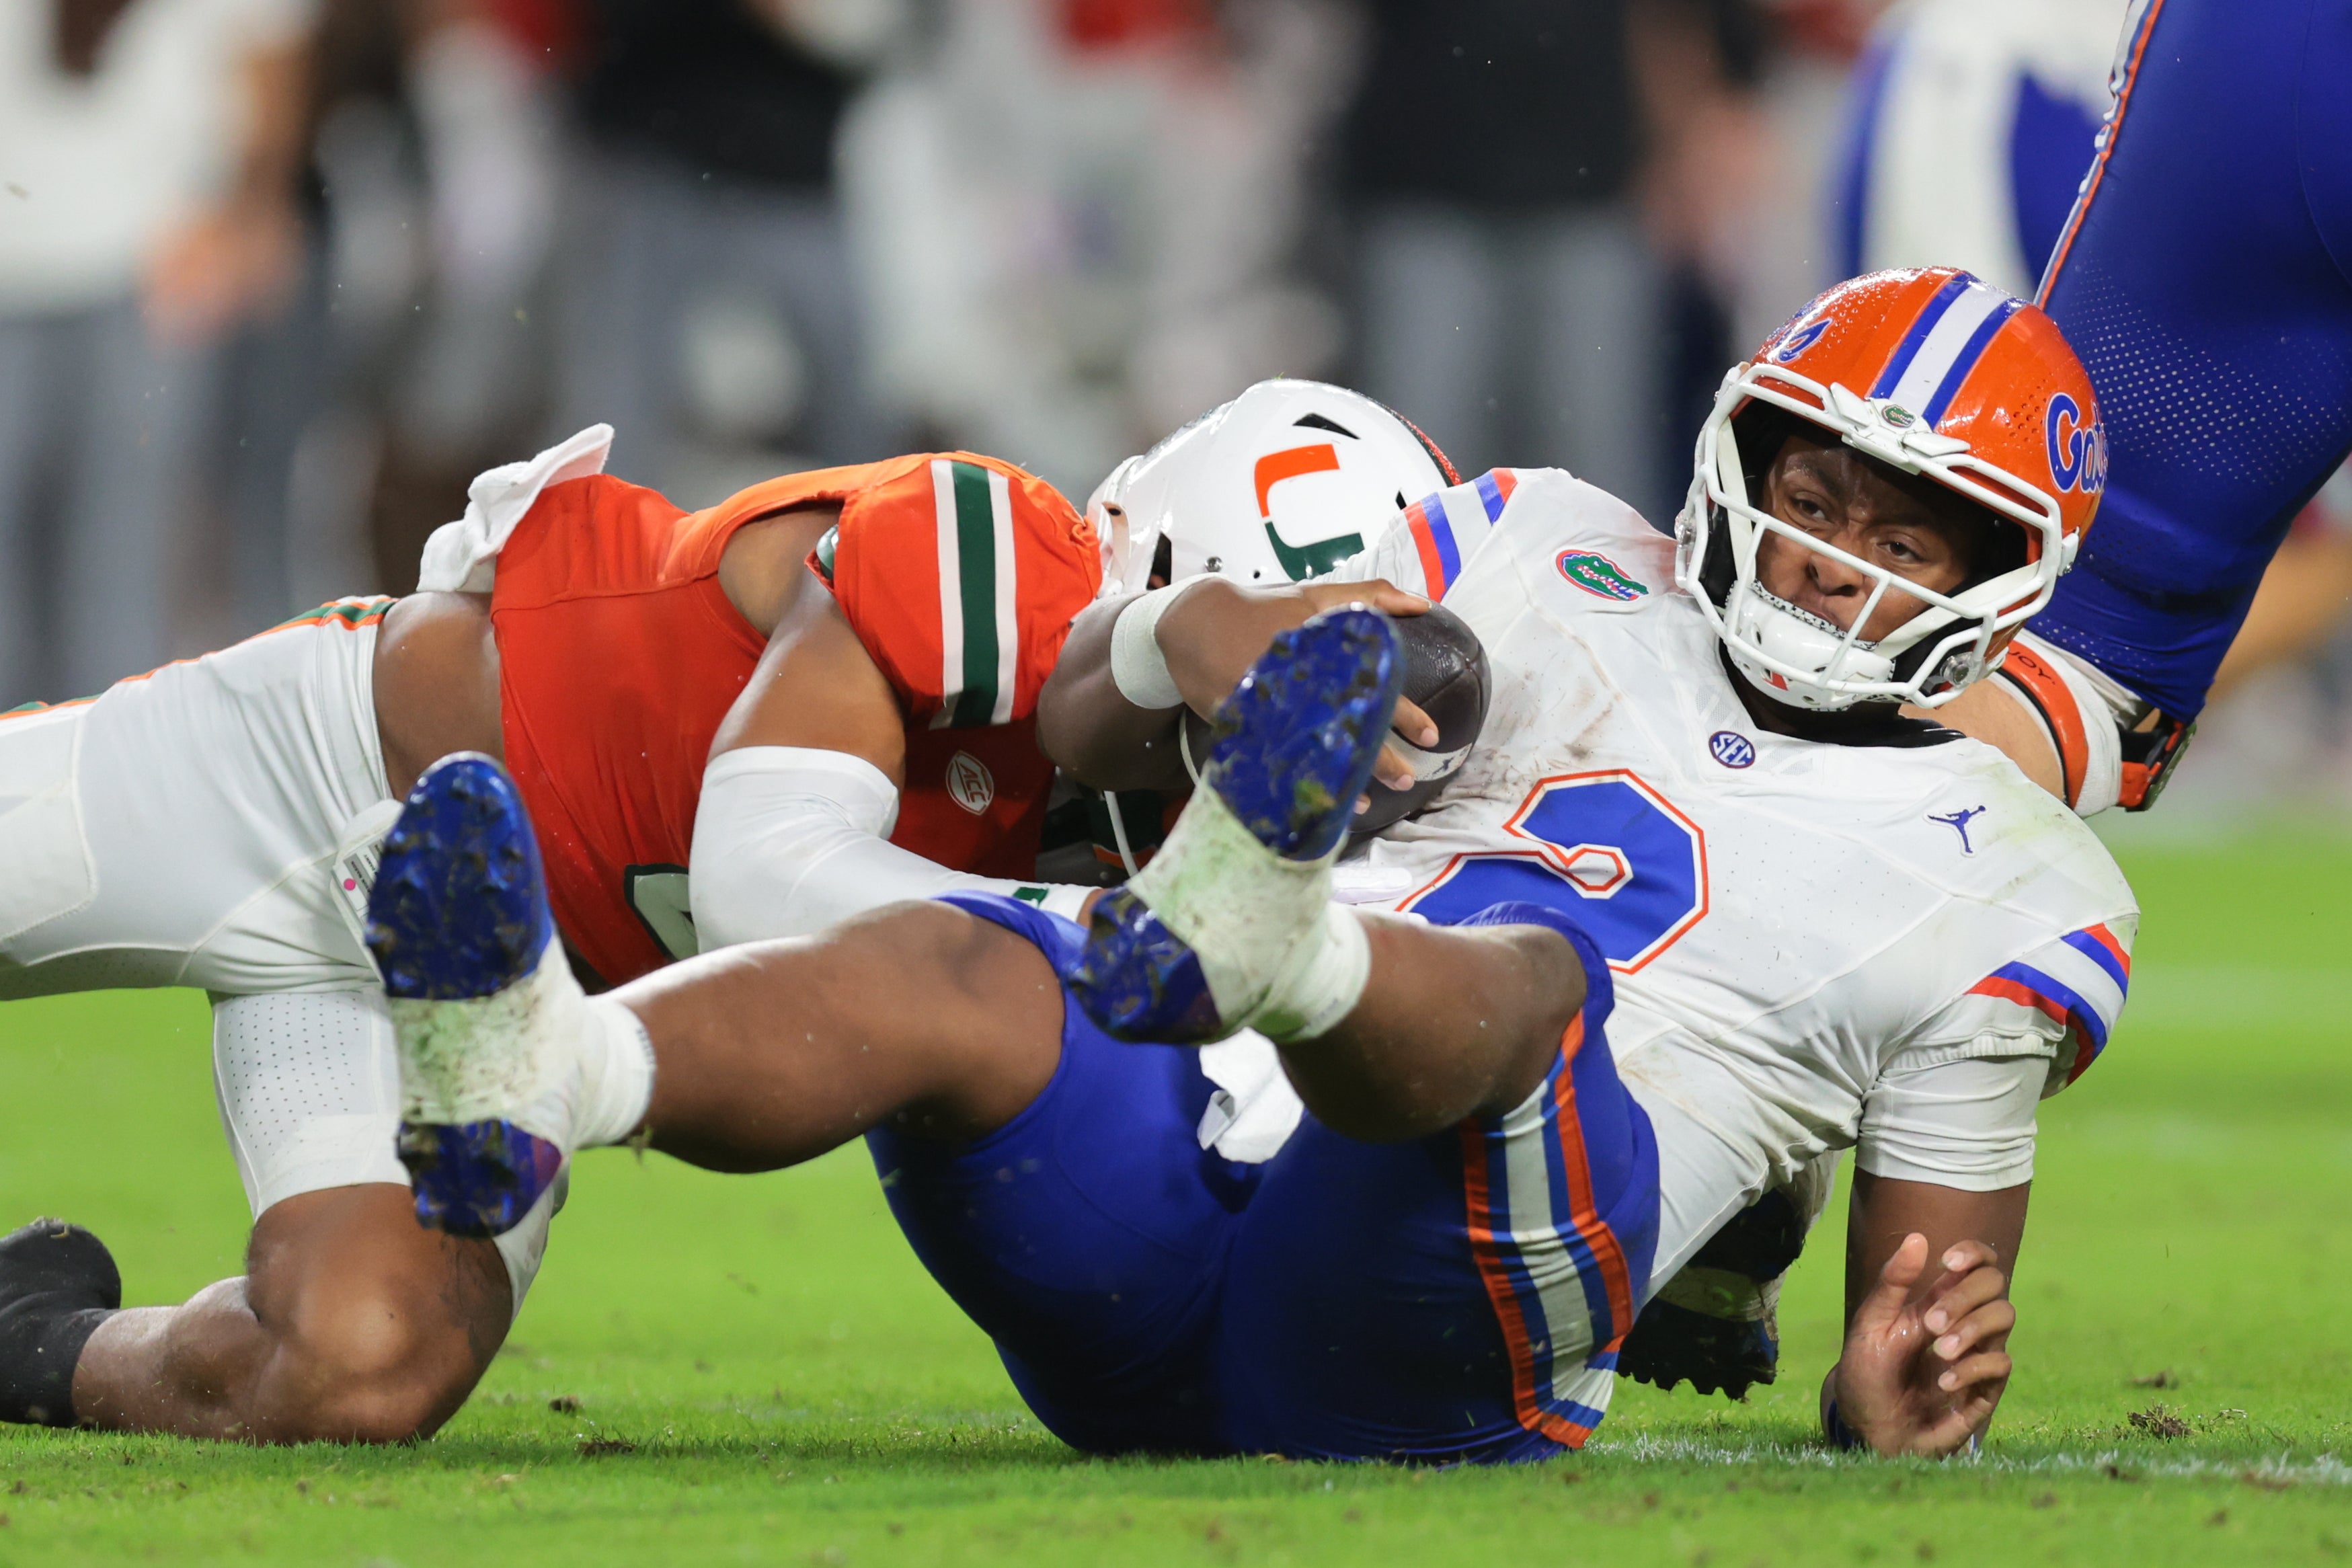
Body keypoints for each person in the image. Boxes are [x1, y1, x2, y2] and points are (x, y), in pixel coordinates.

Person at [286, 267, 2125, 1457]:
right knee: (968, 962)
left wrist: (1899, 1384)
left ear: (2005, 579)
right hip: (1167, 1212)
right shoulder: (1539, 542)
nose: (1834, 553)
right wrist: (1190, 628)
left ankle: (1276, 941)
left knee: (1532, 983)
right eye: (1815, 491)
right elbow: (1086, 717)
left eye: (1912, 525)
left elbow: (1920, 1290)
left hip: (1424, 1327)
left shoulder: (2023, 887)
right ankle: (548, 1067)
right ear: (1746, 458)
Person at [0, 426, 1103, 1441]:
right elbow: (760, 876)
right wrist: (1109, 934)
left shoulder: (1137, 860)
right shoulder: (1009, 553)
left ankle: (30, 1335)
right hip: (303, 771)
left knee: (364, 1362)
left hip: (483, 1021)